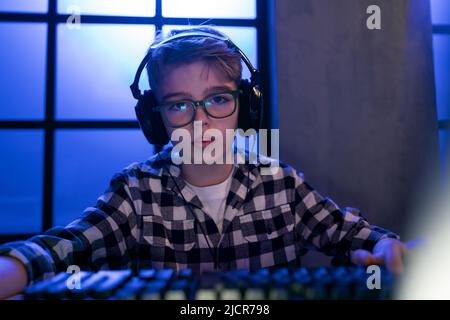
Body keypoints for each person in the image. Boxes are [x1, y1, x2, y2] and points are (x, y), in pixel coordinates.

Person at [0, 27, 407, 299]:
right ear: (155, 118)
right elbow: (67, 247)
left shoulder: (280, 182)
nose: (201, 121)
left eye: (218, 99)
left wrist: (382, 246)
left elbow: (349, 234)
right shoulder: (135, 190)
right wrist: (13, 267)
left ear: (245, 108)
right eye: (179, 105)